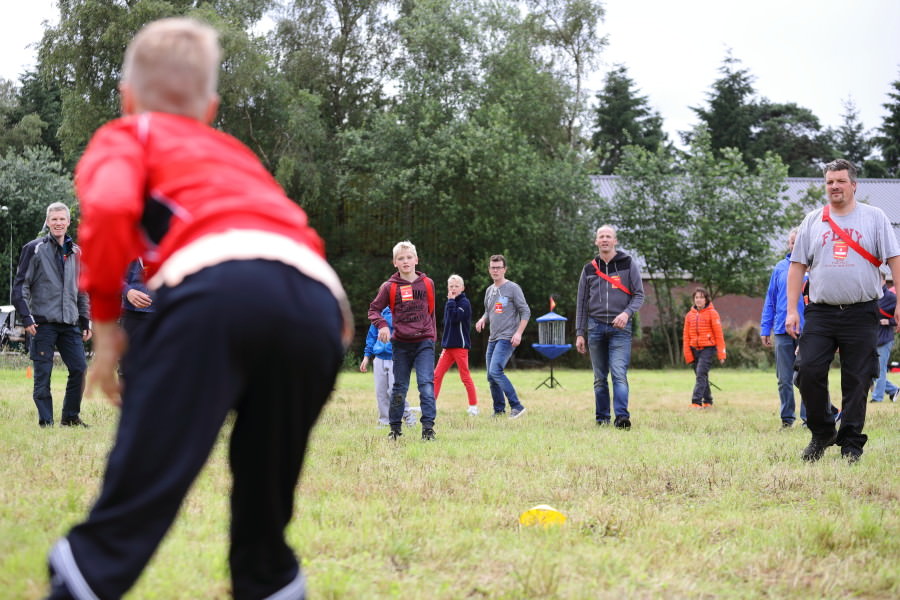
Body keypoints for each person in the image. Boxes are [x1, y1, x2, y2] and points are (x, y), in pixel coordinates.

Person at [45, 18, 351, 600]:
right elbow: (288, 233)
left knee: (137, 500)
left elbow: (108, 207)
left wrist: (107, 325)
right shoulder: (236, 155)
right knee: (264, 520)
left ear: (126, 97)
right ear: (210, 108)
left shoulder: (130, 134)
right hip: (315, 304)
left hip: (217, 292)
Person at [786, 158, 900, 464]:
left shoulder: (874, 218)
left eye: (840, 181)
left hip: (862, 311)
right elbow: (797, 267)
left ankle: (851, 443)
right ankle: (823, 430)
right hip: (820, 312)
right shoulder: (813, 220)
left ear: (853, 184)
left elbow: (894, 259)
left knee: (858, 379)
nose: (834, 186)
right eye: (829, 182)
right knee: (807, 371)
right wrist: (791, 310)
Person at [12, 202, 92, 428]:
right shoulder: (34, 248)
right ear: (48, 222)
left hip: (69, 323)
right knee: (43, 374)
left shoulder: (76, 252)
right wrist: (27, 318)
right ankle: (46, 422)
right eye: (53, 219)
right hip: (42, 323)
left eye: (62, 219)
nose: (58, 223)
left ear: (68, 222)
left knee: (79, 369)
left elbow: (82, 290)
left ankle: (70, 417)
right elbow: (20, 288)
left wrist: (85, 320)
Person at [575, 225, 644, 429]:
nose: (605, 240)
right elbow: (581, 302)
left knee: (618, 374)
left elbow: (639, 294)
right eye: (601, 237)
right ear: (596, 242)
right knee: (599, 378)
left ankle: (622, 417)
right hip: (595, 327)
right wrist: (580, 333)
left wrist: (626, 313)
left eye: (608, 236)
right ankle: (602, 418)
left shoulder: (627, 263)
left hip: (620, 329)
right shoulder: (589, 269)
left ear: (615, 241)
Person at [368, 240, 437, 441]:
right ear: (394, 262)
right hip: (401, 344)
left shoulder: (427, 283)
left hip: (424, 341)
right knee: (399, 387)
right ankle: (395, 430)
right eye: (401, 258)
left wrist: (431, 336)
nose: (405, 261)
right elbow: (374, 310)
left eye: (409, 257)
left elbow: (431, 311)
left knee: (425, 384)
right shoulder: (389, 287)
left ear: (416, 259)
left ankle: (428, 430)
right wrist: (382, 325)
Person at [760, 228, 808, 427]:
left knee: (807, 376)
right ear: (788, 245)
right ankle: (787, 419)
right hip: (782, 330)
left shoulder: (812, 269)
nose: (794, 246)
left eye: (798, 242)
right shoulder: (779, 268)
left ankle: (809, 418)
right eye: (791, 242)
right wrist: (765, 328)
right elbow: (770, 300)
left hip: (807, 331)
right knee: (784, 378)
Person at [475, 255, 530, 419]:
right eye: (493, 267)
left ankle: (517, 406)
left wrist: (519, 333)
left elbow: (525, 311)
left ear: (504, 269)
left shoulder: (513, 288)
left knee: (495, 370)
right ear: (489, 269)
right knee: (491, 376)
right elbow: (489, 310)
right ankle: (499, 410)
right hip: (493, 338)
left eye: (498, 267)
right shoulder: (489, 290)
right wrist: (483, 318)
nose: (495, 270)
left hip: (508, 337)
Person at [359, 307, 419, 427]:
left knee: (394, 391)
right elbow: (371, 336)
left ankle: (407, 414)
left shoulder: (403, 312)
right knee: (381, 392)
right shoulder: (378, 316)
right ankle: (384, 421)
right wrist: (366, 356)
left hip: (396, 358)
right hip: (379, 358)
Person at [433, 274, 479, 415]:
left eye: (456, 286)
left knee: (465, 376)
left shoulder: (464, 303)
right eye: (451, 286)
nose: (453, 288)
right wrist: (450, 302)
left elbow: (454, 318)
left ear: (462, 288)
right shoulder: (450, 302)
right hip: (448, 347)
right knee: (436, 375)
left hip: (460, 347)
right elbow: (446, 324)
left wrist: (451, 301)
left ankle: (473, 407)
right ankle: (430, 404)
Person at [682, 288, 726, 408]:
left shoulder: (713, 313)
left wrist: (722, 354)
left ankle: (696, 402)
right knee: (701, 376)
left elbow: (719, 335)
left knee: (701, 374)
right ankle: (708, 401)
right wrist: (688, 354)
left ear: (706, 299)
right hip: (693, 349)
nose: (699, 300)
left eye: (701, 297)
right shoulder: (689, 316)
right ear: (694, 300)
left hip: (708, 349)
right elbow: (686, 336)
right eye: (697, 297)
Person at [119, 258, 153, 382]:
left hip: (163, 313)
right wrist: (127, 291)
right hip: (132, 313)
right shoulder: (127, 241)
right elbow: (112, 273)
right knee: (126, 368)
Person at [871, 272, 899, 402]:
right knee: (870, 371)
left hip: (885, 339)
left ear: (882, 280)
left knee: (880, 370)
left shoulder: (891, 297)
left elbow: (897, 318)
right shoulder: (872, 296)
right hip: (872, 339)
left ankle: (877, 398)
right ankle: (893, 389)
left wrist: (889, 322)